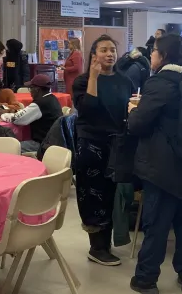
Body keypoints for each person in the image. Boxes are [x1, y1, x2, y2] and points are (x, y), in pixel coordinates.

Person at [127, 33, 182, 294]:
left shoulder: (159, 83)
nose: (151, 56)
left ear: (164, 55)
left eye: (154, 52)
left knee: (157, 224)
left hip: (162, 167)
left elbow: (138, 124)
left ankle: (146, 279)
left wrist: (132, 112)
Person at [72, 35, 134, 266]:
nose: (110, 54)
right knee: (92, 195)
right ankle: (96, 247)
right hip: (90, 144)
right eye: (104, 50)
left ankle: (105, 243)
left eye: (113, 50)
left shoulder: (124, 80)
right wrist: (94, 78)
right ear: (93, 55)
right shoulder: (82, 81)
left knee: (111, 194)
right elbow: (87, 110)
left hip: (116, 144)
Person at [0, 75, 63, 153]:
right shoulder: (52, 98)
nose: (30, 92)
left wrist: (3, 115)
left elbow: (17, 119)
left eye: (31, 88)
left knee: (8, 148)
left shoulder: (40, 104)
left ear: (37, 89)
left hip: (42, 144)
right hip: (54, 143)